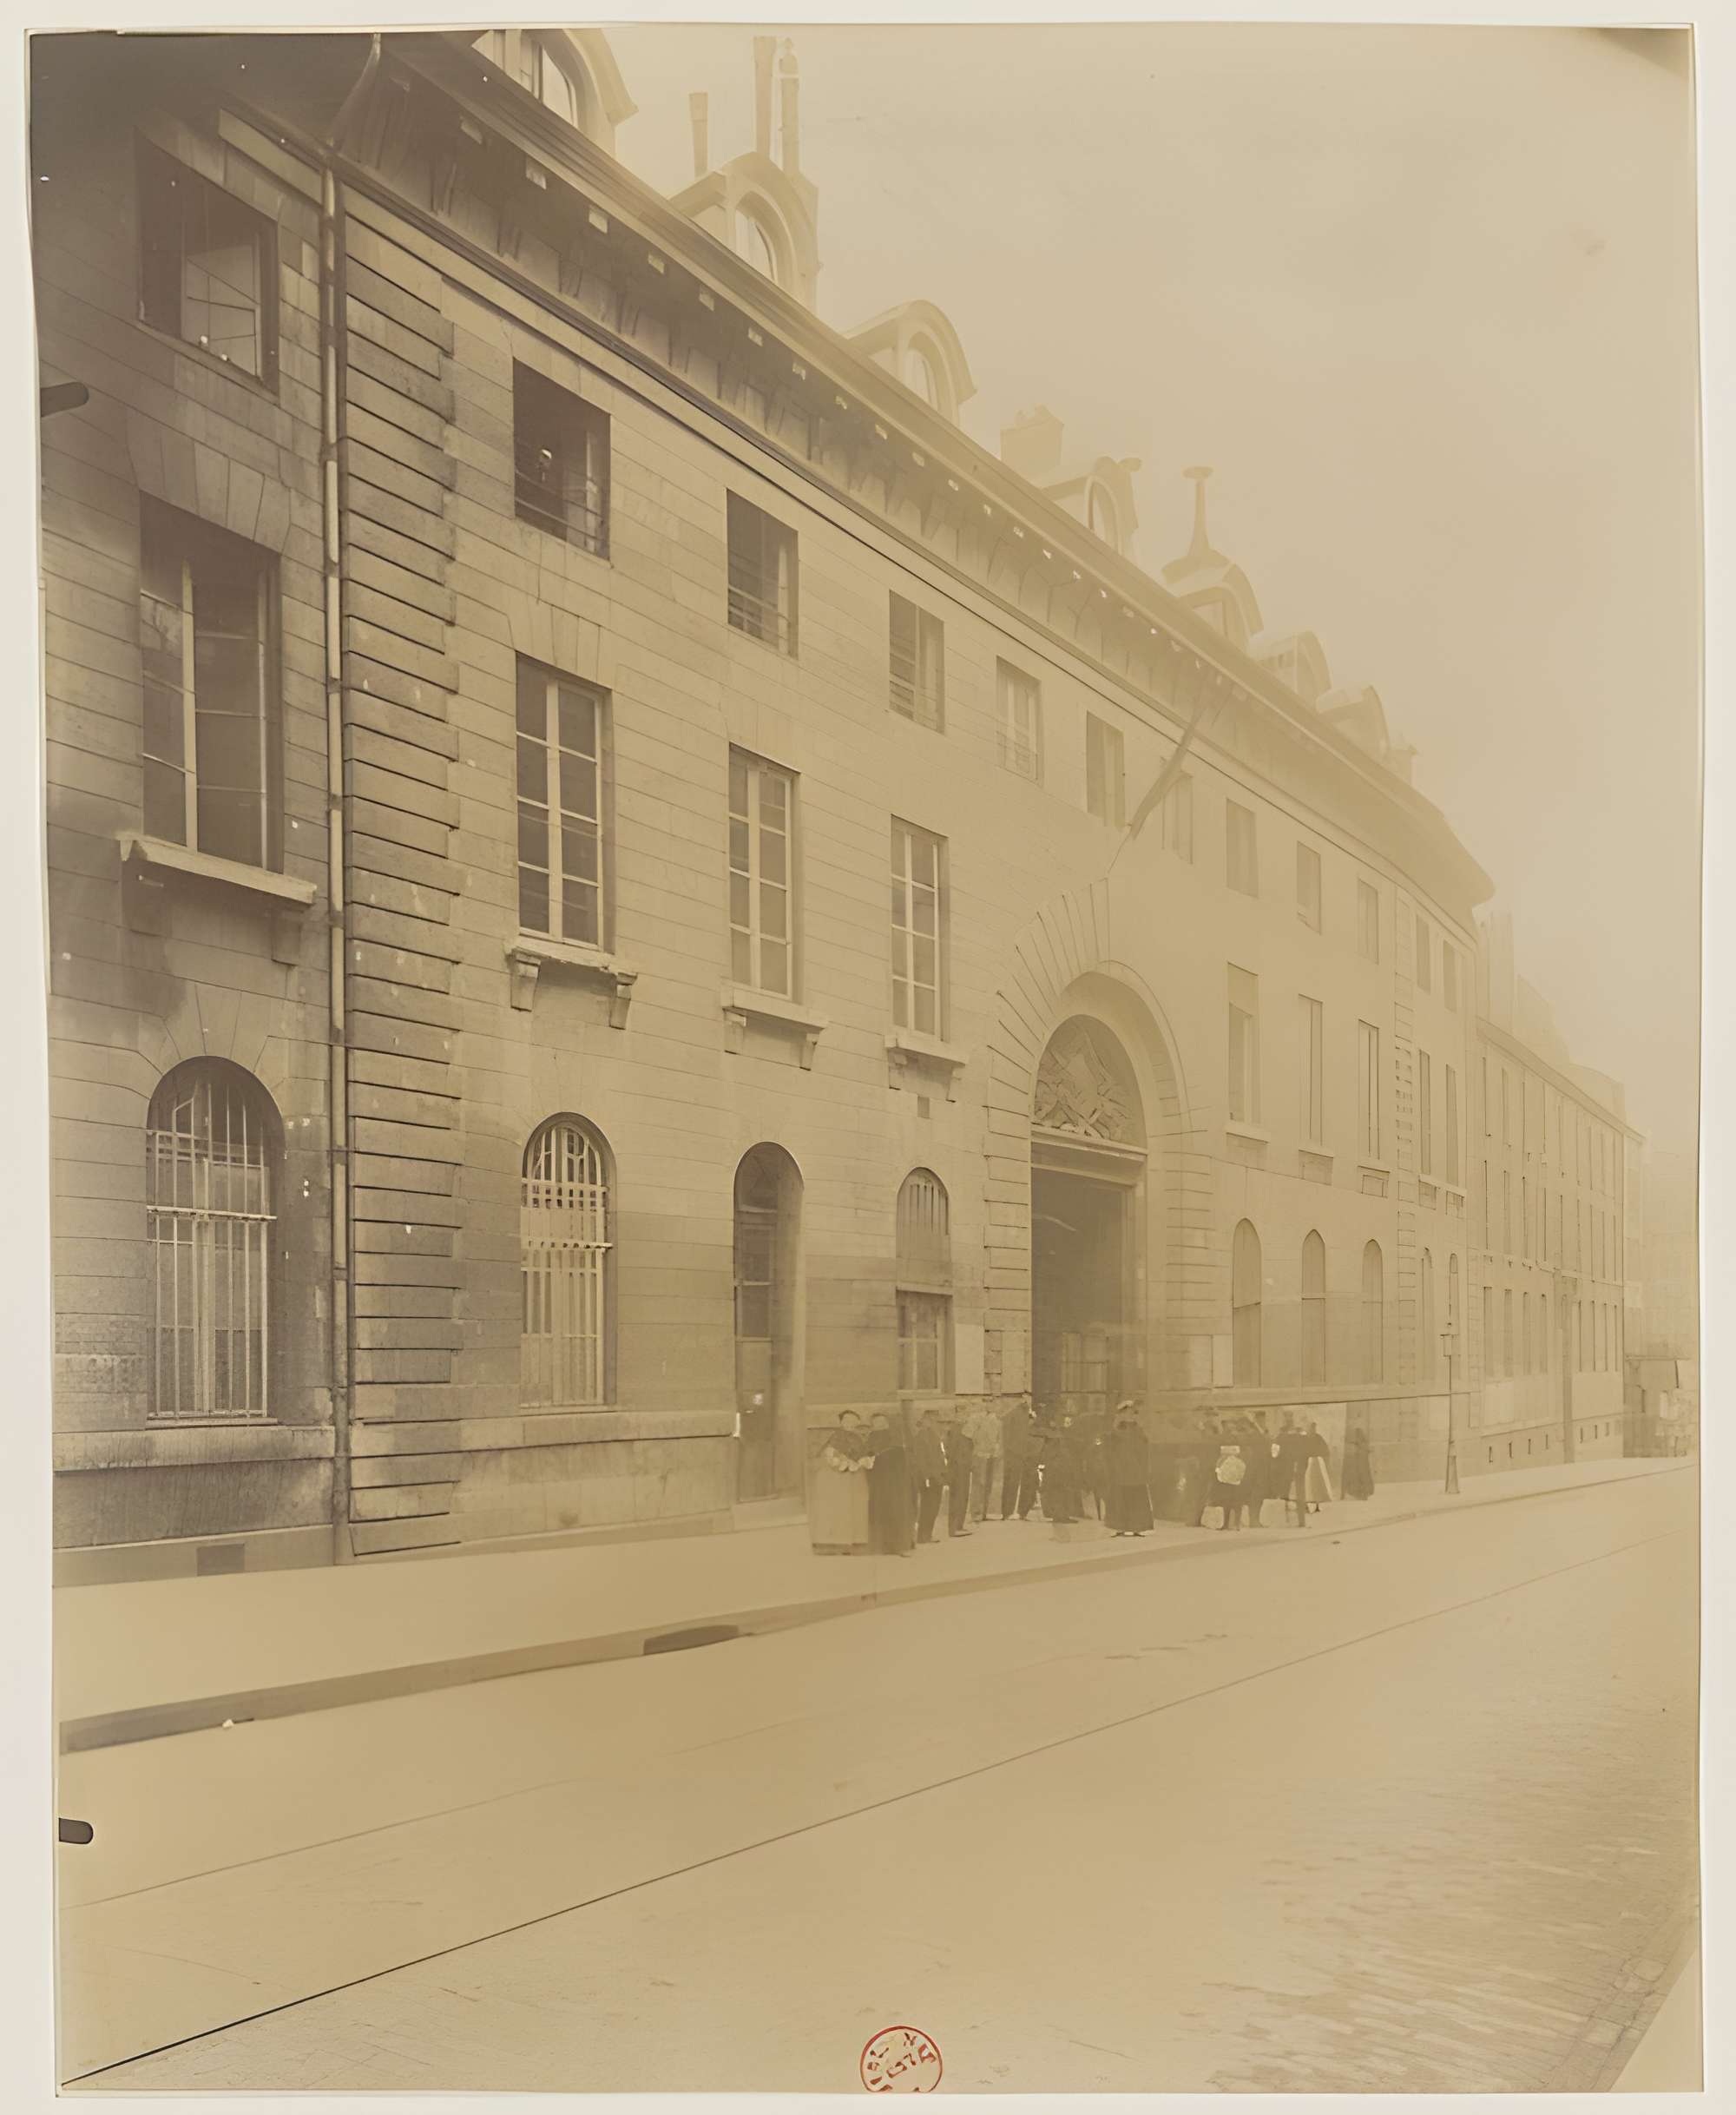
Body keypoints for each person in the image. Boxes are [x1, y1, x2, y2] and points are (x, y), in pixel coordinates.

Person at [810, 1409, 871, 1553]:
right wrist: (842, 1463)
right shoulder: (836, 1437)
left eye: (853, 1421)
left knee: (854, 1506)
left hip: (854, 1477)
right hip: (836, 1477)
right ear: (841, 1422)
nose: (850, 1424)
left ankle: (855, 1538)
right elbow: (830, 1456)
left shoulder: (858, 1438)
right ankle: (835, 1540)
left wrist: (862, 1462)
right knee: (839, 1507)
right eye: (846, 1421)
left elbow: (864, 1454)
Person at [865, 1412, 915, 1555]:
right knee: (881, 1514)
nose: (880, 1425)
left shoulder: (895, 1437)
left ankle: (900, 1546)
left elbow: (903, 1459)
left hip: (896, 1483)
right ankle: (885, 1547)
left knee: (897, 1513)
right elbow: (866, 1458)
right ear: (872, 1425)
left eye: (883, 1422)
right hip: (879, 1483)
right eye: (877, 1423)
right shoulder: (870, 1439)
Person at [1104, 1403, 1154, 1537]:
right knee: (1120, 1498)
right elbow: (1109, 1447)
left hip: (1135, 1469)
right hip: (1120, 1469)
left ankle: (1137, 1527)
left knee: (1135, 1498)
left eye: (1131, 1412)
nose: (1129, 1415)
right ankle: (1119, 1527)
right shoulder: (1116, 1430)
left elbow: (1144, 1447)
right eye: (1126, 1412)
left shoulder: (1137, 1429)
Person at [1039, 1414, 1084, 1524]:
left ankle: (1061, 1515)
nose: (1068, 1425)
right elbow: (1053, 1452)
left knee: (1063, 1491)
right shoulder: (1057, 1436)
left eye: (1070, 1422)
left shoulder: (1065, 1435)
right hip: (1058, 1468)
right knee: (1059, 1491)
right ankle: (1060, 1516)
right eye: (1066, 1422)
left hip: (1062, 1467)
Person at [913, 1407, 949, 1544]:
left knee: (933, 1507)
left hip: (937, 1476)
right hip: (929, 1478)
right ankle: (924, 1536)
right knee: (928, 1507)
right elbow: (921, 1459)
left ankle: (927, 1534)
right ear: (924, 1421)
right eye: (930, 1420)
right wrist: (927, 1476)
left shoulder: (934, 1435)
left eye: (935, 1420)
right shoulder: (922, 1437)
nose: (933, 1423)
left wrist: (943, 1475)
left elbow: (941, 1456)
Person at [964, 1399, 1004, 1523]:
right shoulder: (975, 1419)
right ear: (983, 1404)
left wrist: (997, 1449)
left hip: (991, 1456)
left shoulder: (998, 1422)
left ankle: (984, 1512)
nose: (989, 1405)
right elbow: (968, 1436)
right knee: (979, 1484)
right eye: (986, 1402)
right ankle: (976, 1512)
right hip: (979, 1455)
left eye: (992, 1403)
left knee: (988, 1484)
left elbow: (1000, 1439)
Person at [999, 1397, 1038, 1519]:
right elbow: (1007, 1437)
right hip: (1016, 1454)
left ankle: (1021, 1511)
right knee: (1013, 1483)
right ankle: (1009, 1511)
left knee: (1026, 1482)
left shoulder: (1030, 1415)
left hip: (1026, 1454)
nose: (1027, 1401)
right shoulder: (1012, 1415)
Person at [943, 1407, 975, 1538]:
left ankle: (958, 1526)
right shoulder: (957, 1430)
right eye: (961, 1414)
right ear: (957, 1415)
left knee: (962, 1497)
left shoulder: (962, 1429)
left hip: (962, 1467)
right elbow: (951, 1451)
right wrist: (957, 1465)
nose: (964, 1416)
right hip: (958, 1469)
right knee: (958, 1498)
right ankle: (955, 1528)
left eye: (966, 1414)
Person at [1276, 1417, 1311, 1529]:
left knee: (1286, 1495)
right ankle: (1300, 1521)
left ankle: (1287, 1520)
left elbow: (1277, 1454)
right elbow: (1307, 1454)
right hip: (1295, 1469)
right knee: (1298, 1495)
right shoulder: (1302, 1438)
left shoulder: (1283, 1438)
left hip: (1289, 1470)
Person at [1213, 1442, 1247, 1530]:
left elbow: (1217, 1470)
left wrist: (1221, 1478)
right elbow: (1243, 1472)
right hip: (1237, 1483)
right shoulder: (1241, 1461)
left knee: (1226, 1503)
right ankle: (1236, 1525)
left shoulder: (1222, 1460)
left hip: (1226, 1484)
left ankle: (1226, 1524)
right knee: (1236, 1504)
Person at [1304, 1420, 1335, 1513]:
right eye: (1311, 1428)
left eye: (1314, 1428)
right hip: (1307, 1462)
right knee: (1308, 1484)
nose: (1313, 1429)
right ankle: (1307, 1505)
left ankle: (1317, 1505)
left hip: (1317, 1462)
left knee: (1318, 1484)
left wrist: (1323, 1458)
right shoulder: (1305, 1438)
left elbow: (1325, 1449)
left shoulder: (1318, 1437)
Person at [1343, 1423, 1375, 1500]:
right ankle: (1361, 1494)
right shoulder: (1359, 1445)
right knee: (1360, 1478)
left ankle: (1362, 1494)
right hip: (1360, 1467)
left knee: (1361, 1478)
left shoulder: (1361, 1445)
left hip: (1361, 1467)